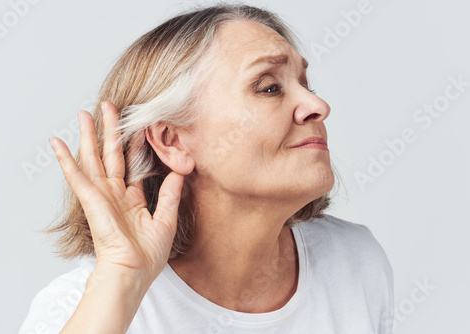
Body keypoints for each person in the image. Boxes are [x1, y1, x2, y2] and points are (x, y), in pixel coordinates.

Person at [19, 3, 394, 334]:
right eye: (269, 88)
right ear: (172, 141)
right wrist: (120, 281)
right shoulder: (77, 308)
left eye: (304, 83)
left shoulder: (355, 261)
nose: (317, 104)